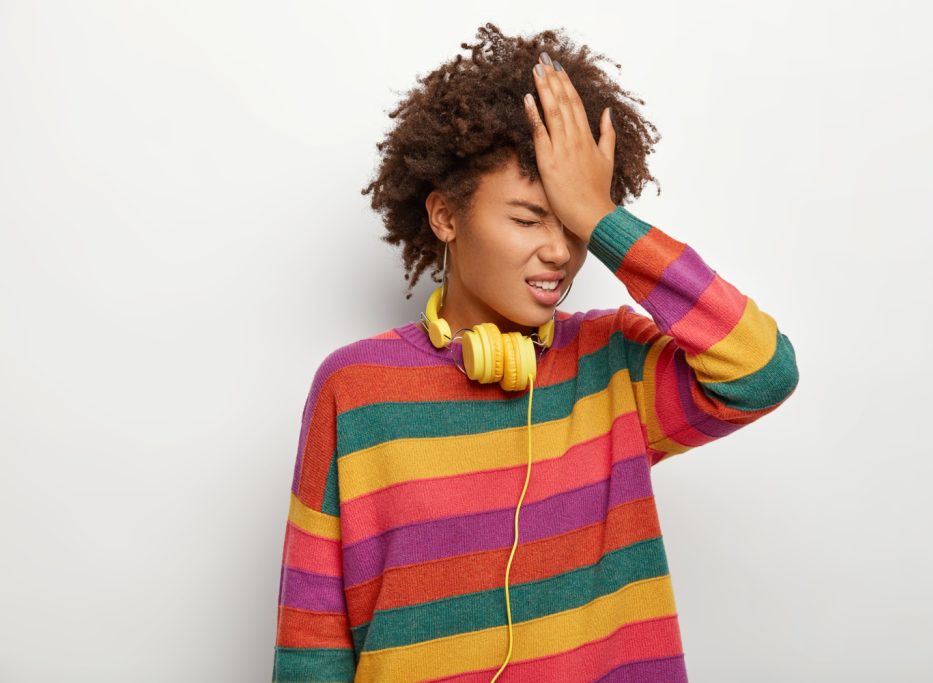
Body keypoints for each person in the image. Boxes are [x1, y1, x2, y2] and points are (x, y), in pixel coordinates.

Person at [272, 23, 799, 683]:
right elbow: (312, 639)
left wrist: (603, 219)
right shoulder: (356, 388)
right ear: (445, 216)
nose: (559, 252)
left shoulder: (614, 366)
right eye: (527, 219)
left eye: (571, 226)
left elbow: (762, 372)